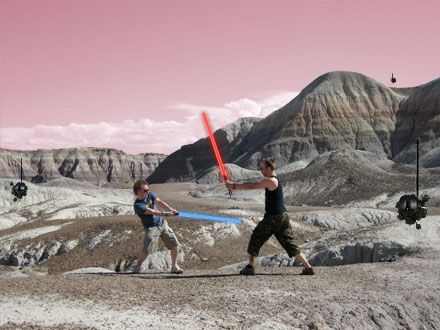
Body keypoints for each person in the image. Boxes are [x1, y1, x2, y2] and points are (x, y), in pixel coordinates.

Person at [225, 158, 314, 276]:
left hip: (274, 217)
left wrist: (234, 186)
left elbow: (252, 186)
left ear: (269, 169)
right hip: (282, 216)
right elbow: (252, 184)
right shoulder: (274, 180)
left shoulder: (271, 181)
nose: (260, 170)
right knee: (289, 243)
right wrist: (233, 186)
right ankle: (308, 268)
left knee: (256, 237)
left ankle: (250, 267)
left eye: (262, 168)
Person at [133, 179, 183, 274]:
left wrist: (171, 209)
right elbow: (152, 212)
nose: (148, 192)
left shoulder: (150, 194)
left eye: (148, 189)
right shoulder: (138, 205)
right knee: (147, 250)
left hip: (162, 223)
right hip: (151, 228)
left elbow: (159, 202)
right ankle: (137, 266)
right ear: (138, 191)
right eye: (145, 190)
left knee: (175, 244)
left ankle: (174, 266)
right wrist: (168, 214)